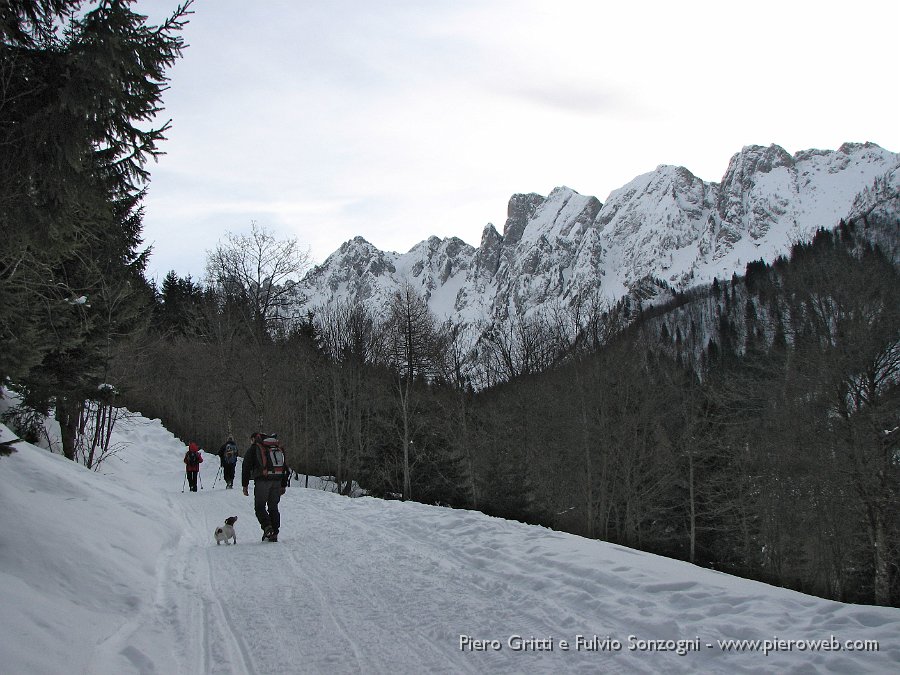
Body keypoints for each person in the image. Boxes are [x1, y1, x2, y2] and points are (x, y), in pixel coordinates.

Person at [242, 432, 289, 542]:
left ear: (254, 438)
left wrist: (245, 485)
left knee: (259, 506)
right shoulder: (276, 447)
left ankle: (268, 528)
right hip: (277, 480)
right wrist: (283, 484)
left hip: (262, 481)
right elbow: (285, 467)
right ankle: (275, 532)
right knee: (273, 507)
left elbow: (246, 466)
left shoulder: (255, 448)